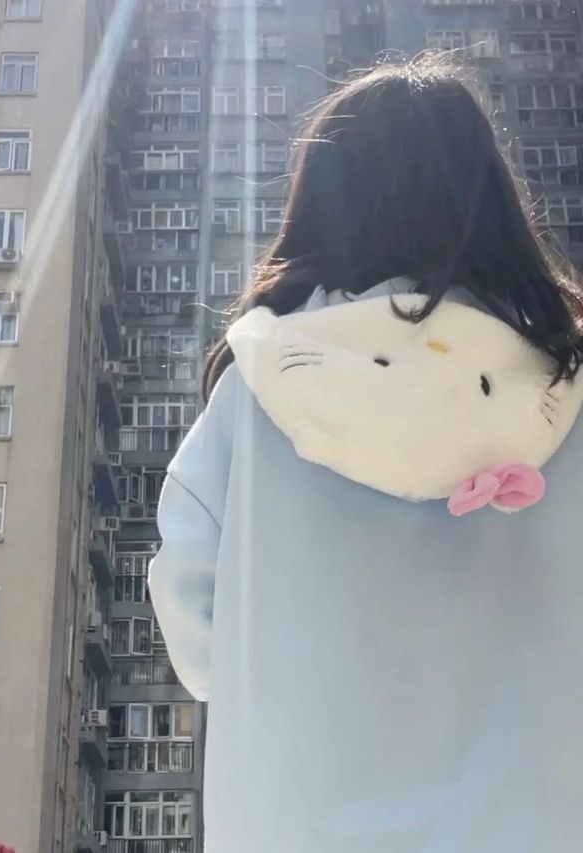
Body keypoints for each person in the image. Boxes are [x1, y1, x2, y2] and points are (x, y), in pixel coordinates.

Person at [148, 55, 583, 853]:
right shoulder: (565, 393)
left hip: (298, 822)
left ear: (323, 203)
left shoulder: (259, 390)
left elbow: (195, 630)